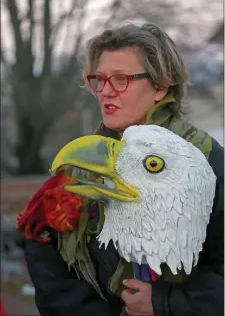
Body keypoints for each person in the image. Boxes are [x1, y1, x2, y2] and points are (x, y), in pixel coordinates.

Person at [20, 23, 224, 316]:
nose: (106, 92)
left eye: (121, 79)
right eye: (100, 80)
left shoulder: (209, 165)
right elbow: (46, 260)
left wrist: (163, 304)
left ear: (161, 86)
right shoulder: (83, 165)